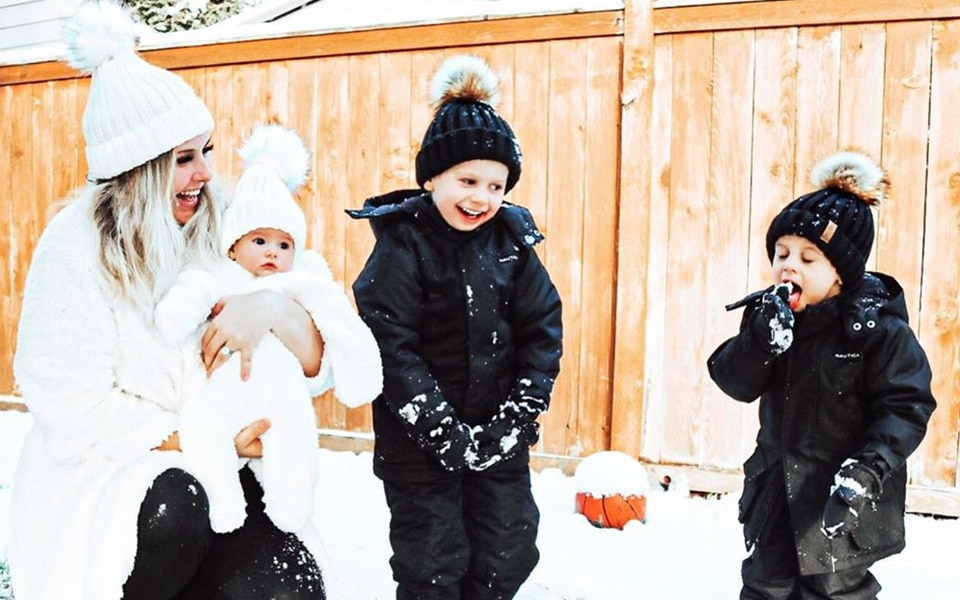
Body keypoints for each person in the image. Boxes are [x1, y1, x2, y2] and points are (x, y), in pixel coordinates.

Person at [11, 2, 337, 599]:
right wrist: (200, 435)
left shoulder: (229, 230)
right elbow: (68, 404)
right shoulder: (76, 247)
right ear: (138, 171)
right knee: (178, 508)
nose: (206, 174)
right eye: (184, 159)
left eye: (206, 150)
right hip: (113, 474)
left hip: (232, 470)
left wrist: (272, 310)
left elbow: (320, 367)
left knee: (288, 587)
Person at [347, 55, 563, 600]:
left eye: (496, 186)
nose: (481, 198)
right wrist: (439, 428)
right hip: (419, 446)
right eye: (468, 180)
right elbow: (390, 343)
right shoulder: (403, 246)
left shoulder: (512, 247)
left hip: (497, 441)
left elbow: (543, 331)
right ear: (432, 177)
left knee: (509, 548)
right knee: (433, 560)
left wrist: (518, 416)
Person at [706, 150, 936, 600]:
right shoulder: (771, 319)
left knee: (833, 593)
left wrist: (866, 471)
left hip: (842, 501)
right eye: (782, 252)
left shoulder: (878, 330)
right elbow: (734, 382)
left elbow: (906, 406)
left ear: (841, 275)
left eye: (809, 259)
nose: (789, 266)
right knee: (764, 586)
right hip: (776, 495)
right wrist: (760, 343)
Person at [154, 124, 382, 535]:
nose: (273, 253)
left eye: (284, 244)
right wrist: (174, 320)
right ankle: (224, 504)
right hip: (220, 392)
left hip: (281, 396)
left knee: (294, 442)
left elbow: (340, 324)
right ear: (234, 244)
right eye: (259, 241)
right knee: (202, 432)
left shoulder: (301, 283)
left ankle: (291, 507)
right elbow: (189, 295)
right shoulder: (217, 274)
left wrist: (360, 377)